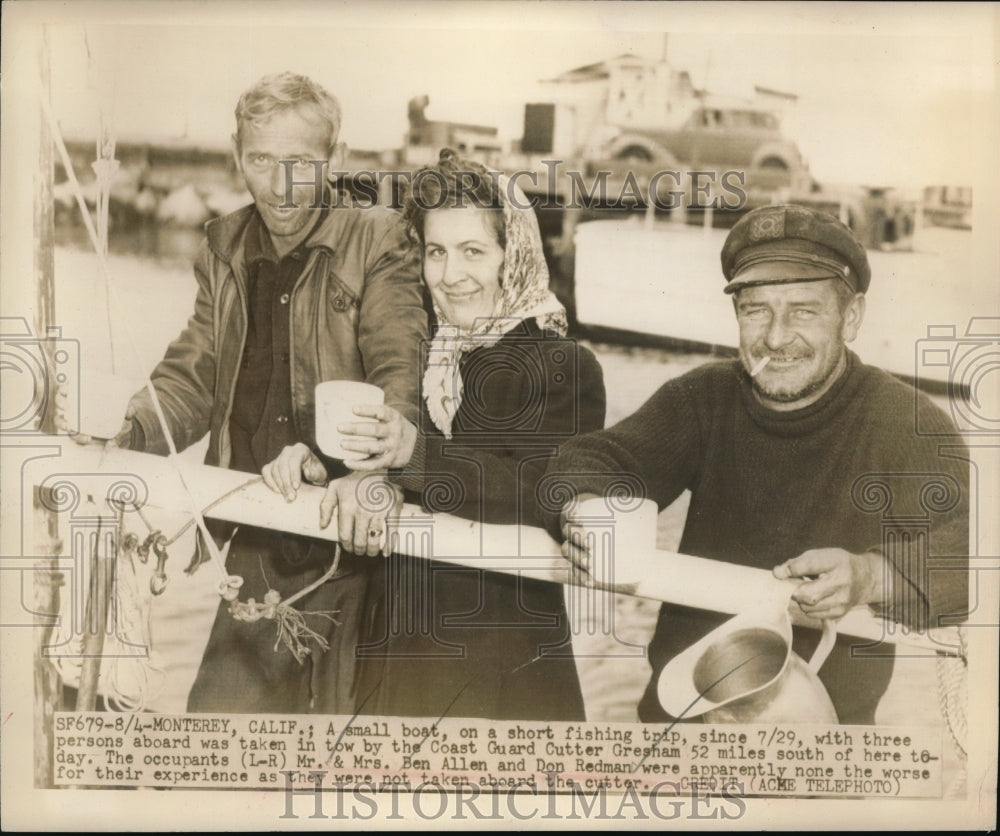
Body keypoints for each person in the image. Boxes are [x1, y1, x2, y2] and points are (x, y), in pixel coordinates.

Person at [545, 204, 969, 724]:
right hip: (680, 724)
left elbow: (975, 553)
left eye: (804, 311)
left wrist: (870, 576)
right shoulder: (702, 399)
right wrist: (589, 509)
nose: (775, 336)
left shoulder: (904, 421)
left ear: (851, 317)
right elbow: (592, 458)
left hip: (824, 745)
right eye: (756, 310)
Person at [110, 72, 428, 713]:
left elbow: (400, 370)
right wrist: (123, 436)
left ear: (335, 159)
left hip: (355, 538)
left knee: (339, 758)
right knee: (217, 739)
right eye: (261, 159)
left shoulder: (378, 238)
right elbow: (191, 374)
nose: (280, 185)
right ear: (236, 154)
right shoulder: (223, 246)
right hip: (260, 539)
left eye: (300, 163)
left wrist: (373, 475)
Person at [264, 149, 607, 720]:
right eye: (436, 252)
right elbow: (395, 464)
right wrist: (328, 465)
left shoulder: (566, 366)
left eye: (474, 251)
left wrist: (409, 455)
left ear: (513, 254)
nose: (450, 275)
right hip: (398, 667)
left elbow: (545, 490)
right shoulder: (428, 360)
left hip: (503, 676)